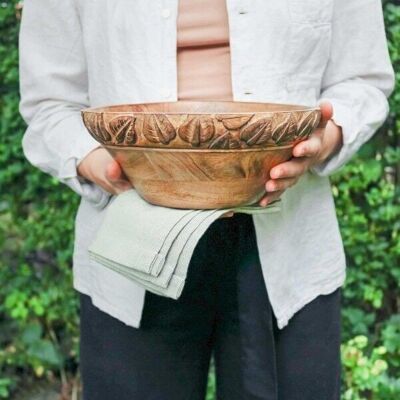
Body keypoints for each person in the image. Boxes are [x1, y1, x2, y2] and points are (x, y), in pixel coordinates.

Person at [19, 0, 394, 399]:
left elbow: (362, 80)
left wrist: (325, 139)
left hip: (287, 243)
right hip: (133, 240)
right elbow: (50, 102)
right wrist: (100, 163)